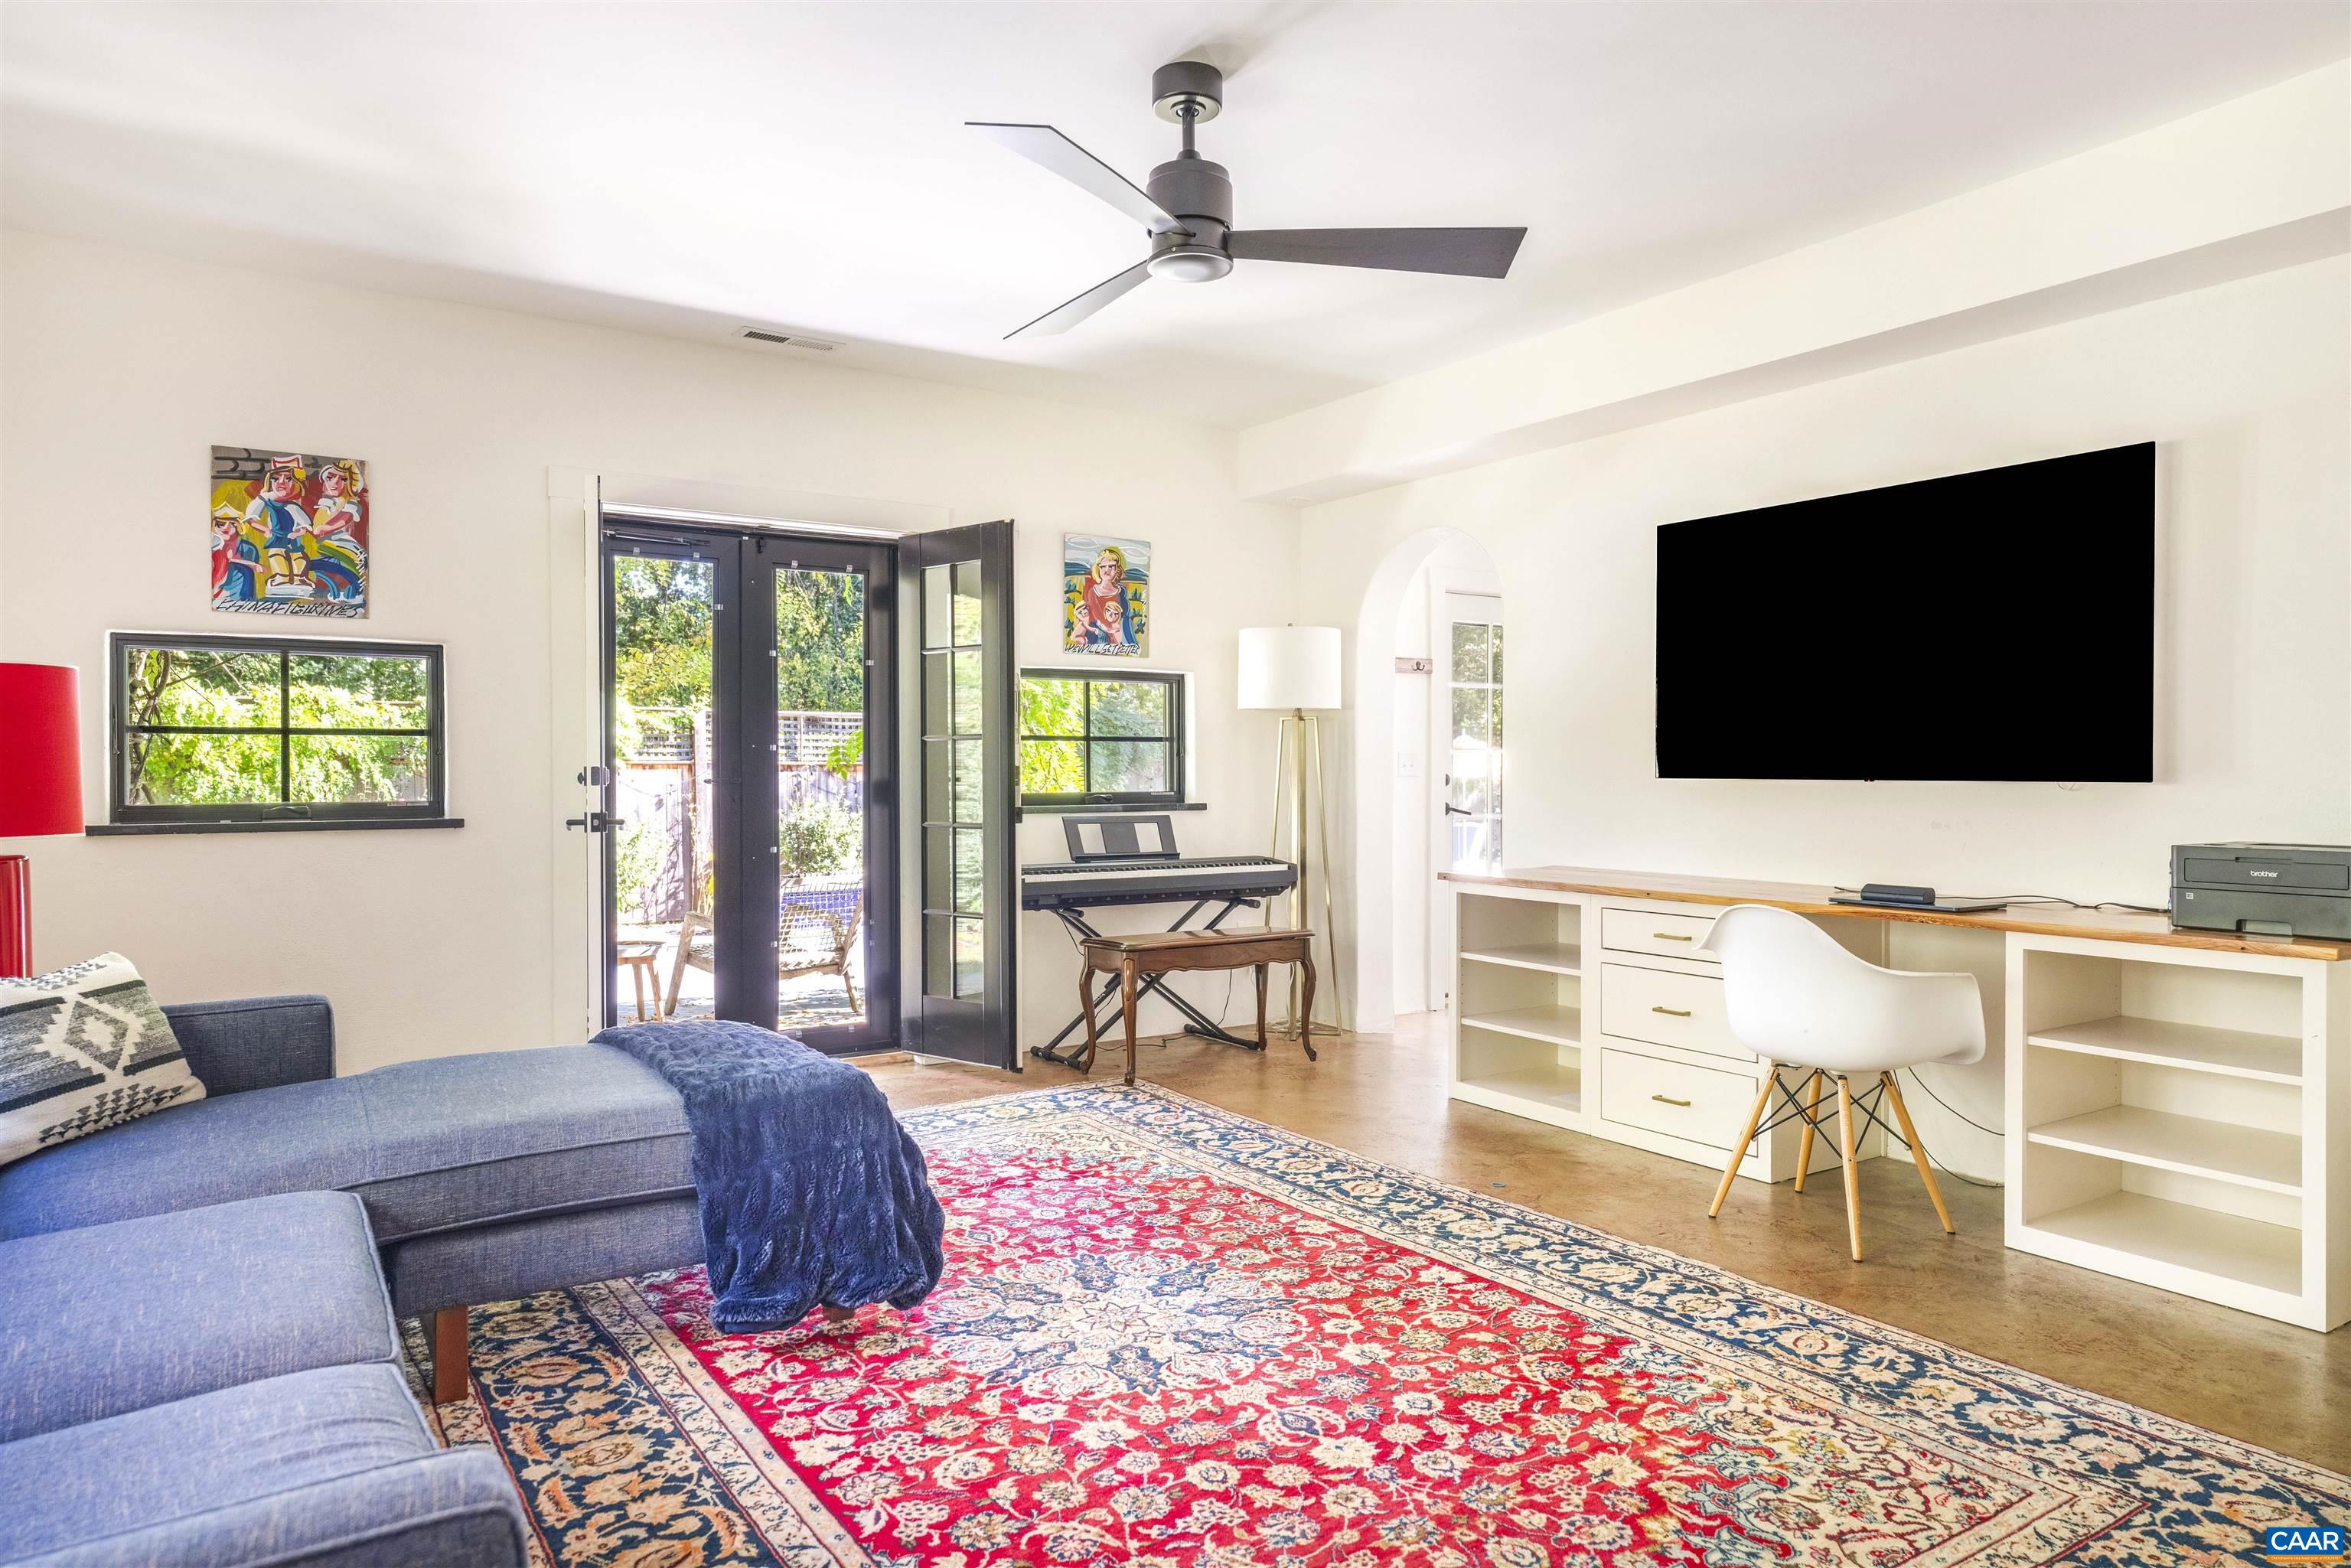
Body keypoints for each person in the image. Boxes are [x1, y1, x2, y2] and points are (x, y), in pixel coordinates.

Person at [243, 455, 314, 595]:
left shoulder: (294, 504)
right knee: (277, 554)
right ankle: (282, 577)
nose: (281, 482)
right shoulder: (267, 498)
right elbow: (250, 518)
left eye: (288, 479)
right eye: (276, 478)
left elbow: (305, 525)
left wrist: (298, 532)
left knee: (298, 556)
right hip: (277, 535)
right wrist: (265, 530)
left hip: (293, 537)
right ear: (270, 480)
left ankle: (299, 578)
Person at [304, 458, 367, 601]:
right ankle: (331, 583)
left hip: (339, 541)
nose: (334, 483)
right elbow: (316, 525)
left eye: (343, 480)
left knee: (355, 560)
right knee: (319, 562)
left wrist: (327, 527)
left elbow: (344, 519)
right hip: (323, 542)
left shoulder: (350, 503)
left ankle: (353, 589)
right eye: (330, 478)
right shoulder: (326, 503)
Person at [1076, 545, 1136, 650]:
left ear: (1117, 569)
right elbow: (1094, 616)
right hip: (1096, 636)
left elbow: (1124, 618)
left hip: (1118, 636)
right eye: (1103, 567)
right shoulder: (1092, 592)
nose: (1107, 570)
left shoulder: (1121, 591)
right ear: (1098, 568)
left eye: (1111, 566)